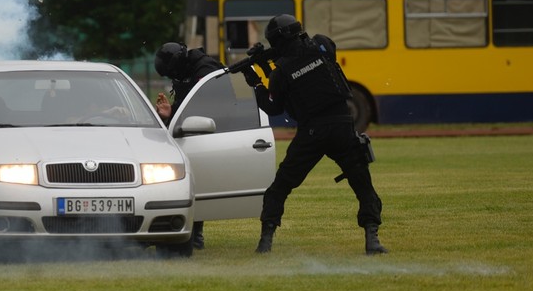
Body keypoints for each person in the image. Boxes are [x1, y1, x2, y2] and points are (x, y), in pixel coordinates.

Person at [241, 14, 387, 255]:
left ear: (277, 41)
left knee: (281, 186)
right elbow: (314, 60)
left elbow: (274, 106)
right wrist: (273, 63)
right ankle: (372, 239)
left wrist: (257, 84)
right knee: (362, 184)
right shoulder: (321, 45)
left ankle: (265, 241)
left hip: (312, 133)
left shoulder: (281, 72)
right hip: (343, 127)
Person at [154, 42, 224, 249]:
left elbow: (206, 106)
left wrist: (178, 114)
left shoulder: (206, 70)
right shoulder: (186, 70)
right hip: (193, 130)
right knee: (188, 182)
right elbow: (186, 105)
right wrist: (171, 112)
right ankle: (189, 233)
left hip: (209, 130)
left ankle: (196, 235)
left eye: (171, 74)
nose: (171, 78)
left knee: (196, 181)